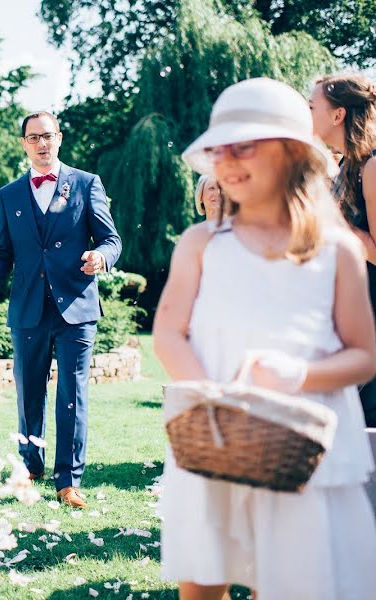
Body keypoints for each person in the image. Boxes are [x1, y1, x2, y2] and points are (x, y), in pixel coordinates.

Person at [154, 77, 376, 600]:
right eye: (218, 148)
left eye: (245, 144)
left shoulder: (337, 249)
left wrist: (300, 375)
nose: (226, 159)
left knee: (293, 579)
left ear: (295, 152)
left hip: (306, 442)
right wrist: (214, 396)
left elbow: (365, 354)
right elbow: (168, 331)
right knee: (205, 573)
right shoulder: (201, 242)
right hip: (216, 431)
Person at [0, 111, 122, 508]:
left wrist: (101, 259)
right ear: (23, 143)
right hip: (27, 309)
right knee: (29, 393)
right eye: (33, 137)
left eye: (48, 136)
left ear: (59, 138)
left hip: (77, 308)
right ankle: (30, 463)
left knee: (73, 393)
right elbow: (1, 253)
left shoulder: (87, 184)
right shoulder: (9, 195)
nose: (41, 143)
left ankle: (68, 479)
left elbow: (111, 239)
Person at [309, 73, 376, 427]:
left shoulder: (373, 166)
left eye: (312, 107)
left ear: (338, 115)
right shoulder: (348, 166)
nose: (307, 115)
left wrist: (330, 218)